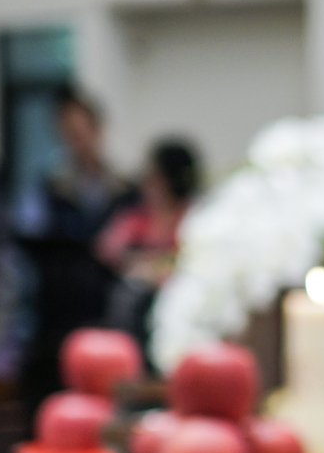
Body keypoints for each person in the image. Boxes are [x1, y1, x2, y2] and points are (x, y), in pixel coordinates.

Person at [14, 87, 125, 424]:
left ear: (97, 130)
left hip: (106, 314)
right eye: (68, 134)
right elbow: (26, 243)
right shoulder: (47, 188)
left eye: (81, 131)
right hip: (58, 319)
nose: (76, 141)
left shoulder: (121, 189)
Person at [97, 136, 200, 345]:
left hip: (178, 300)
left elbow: (195, 257)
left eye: (155, 175)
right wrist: (138, 263)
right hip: (139, 298)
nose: (147, 181)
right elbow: (106, 247)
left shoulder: (193, 217)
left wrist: (158, 268)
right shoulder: (139, 216)